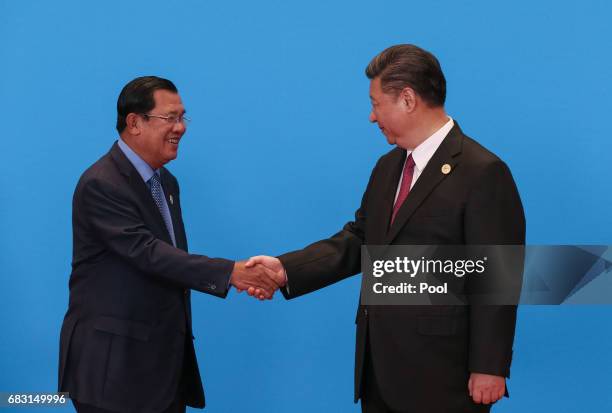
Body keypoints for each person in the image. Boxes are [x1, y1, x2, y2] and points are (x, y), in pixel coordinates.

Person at [247, 44, 525, 413]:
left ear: (407, 99)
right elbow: (361, 239)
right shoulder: (386, 167)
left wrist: (489, 366)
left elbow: (498, 274)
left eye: (376, 103)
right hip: (379, 371)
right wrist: (286, 269)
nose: (371, 117)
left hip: (444, 375)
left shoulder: (482, 171)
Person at [58, 76, 284, 413]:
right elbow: (148, 253)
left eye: (183, 118)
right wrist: (231, 273)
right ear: (134, 122)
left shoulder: (166, 182)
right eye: (170, 118)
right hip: (113, 371)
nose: (180, 128)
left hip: (160, 369)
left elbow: (169, 260)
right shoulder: (101, 184)